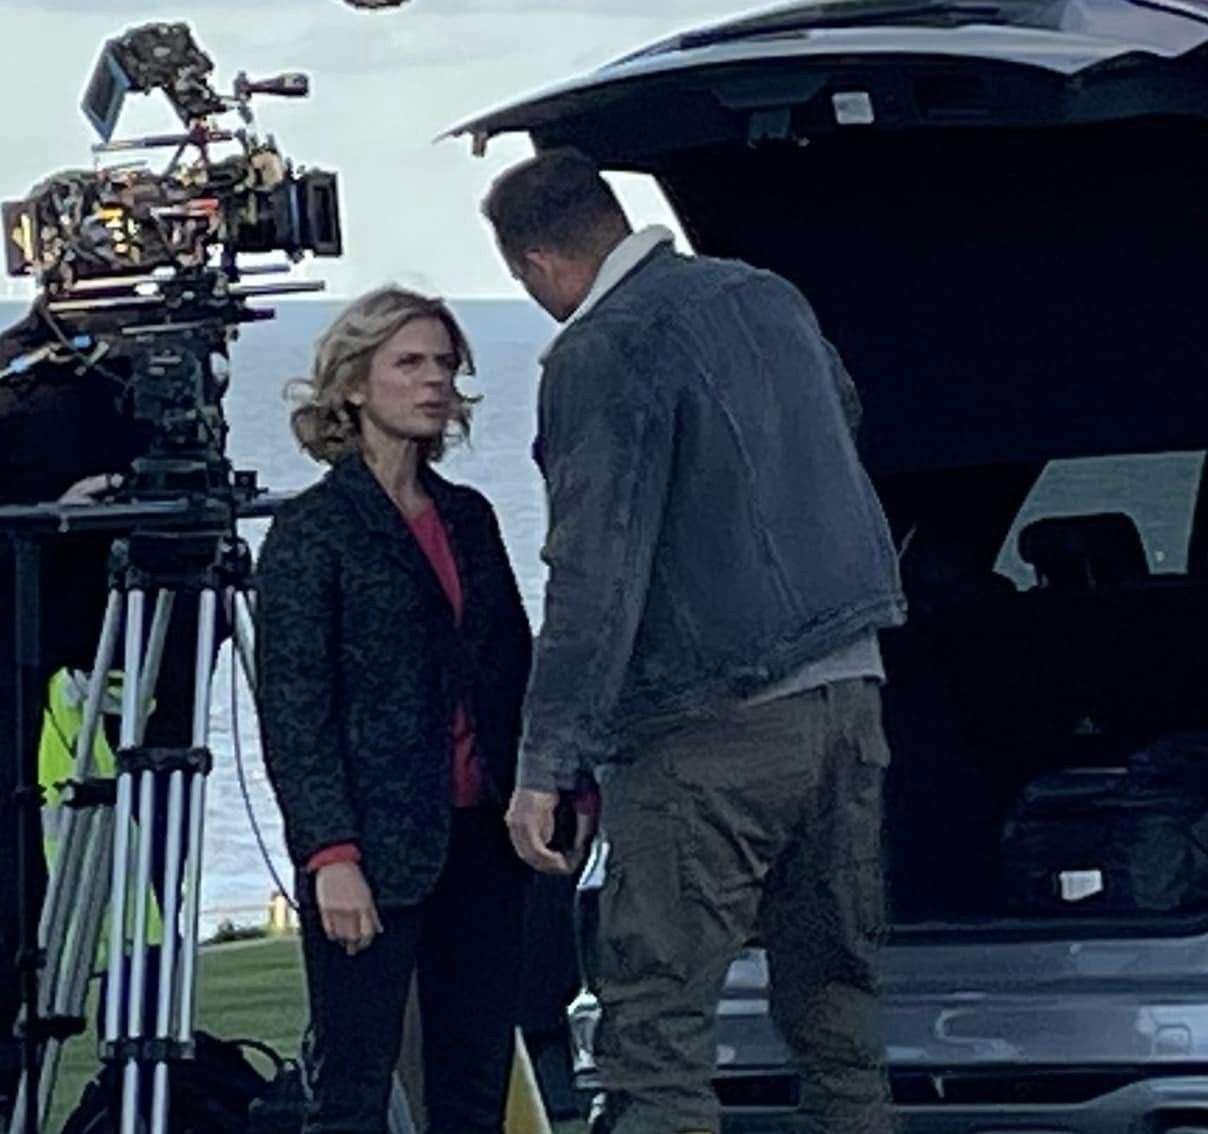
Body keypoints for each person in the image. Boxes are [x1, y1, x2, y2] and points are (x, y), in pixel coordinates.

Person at [484, 148, 907, 1134]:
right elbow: (844, 421)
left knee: (654, 1035)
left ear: (536, 264)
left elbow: (594, 568)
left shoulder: (602, 350)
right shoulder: (765, 297)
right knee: (840, 1017)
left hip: (711, 724)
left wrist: (549, 762)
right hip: (848, 695)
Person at [254, 286, 534, 1134]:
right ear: (353, 384)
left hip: (484, 836)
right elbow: (294, 710)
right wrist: (330, 853)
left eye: (445, 364)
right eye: (409, 363)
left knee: (474, 1088)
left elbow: (512, 670)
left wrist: (559, 786)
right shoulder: (312, 530)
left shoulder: (469, 518)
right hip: (370, 844)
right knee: (352, 1092)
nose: (435, 382)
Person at [0, 305, 168, 1129]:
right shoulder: (2, 383)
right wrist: (55, 510)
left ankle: (157, 1080)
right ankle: (18, 1092)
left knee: (153, 887)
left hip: (147, 664)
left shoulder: (146, 369)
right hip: (34, 678)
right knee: (27, 898)